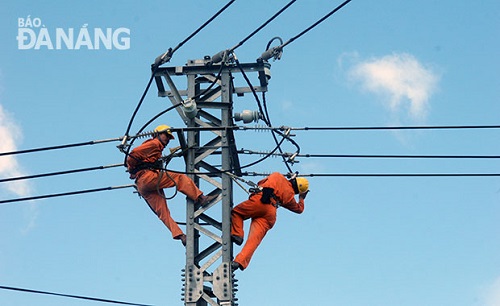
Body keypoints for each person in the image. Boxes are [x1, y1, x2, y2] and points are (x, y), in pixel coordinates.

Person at [127, 124, 215, 246]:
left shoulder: (156, 149)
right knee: (179, 178)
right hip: (148, 178)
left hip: (142, 184)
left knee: (163, 212)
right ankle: (201, 198)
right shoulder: (155, 143)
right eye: (166, 136)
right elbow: (133, 153)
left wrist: (134, 169)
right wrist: (131, 166)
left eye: (169, 137)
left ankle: (180, 236)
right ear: (157, 134)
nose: (167, 139)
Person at [230, 172, 309, 270]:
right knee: (254, 240)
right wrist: (301, 198)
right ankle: (239, 262)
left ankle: (237, 234)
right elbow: (299, 209)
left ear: (293, 179)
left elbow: (265, 185)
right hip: (270, 213)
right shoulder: (290, 196)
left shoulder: (278, 176)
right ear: (297, 191)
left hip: (260, 200)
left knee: (237, 212)